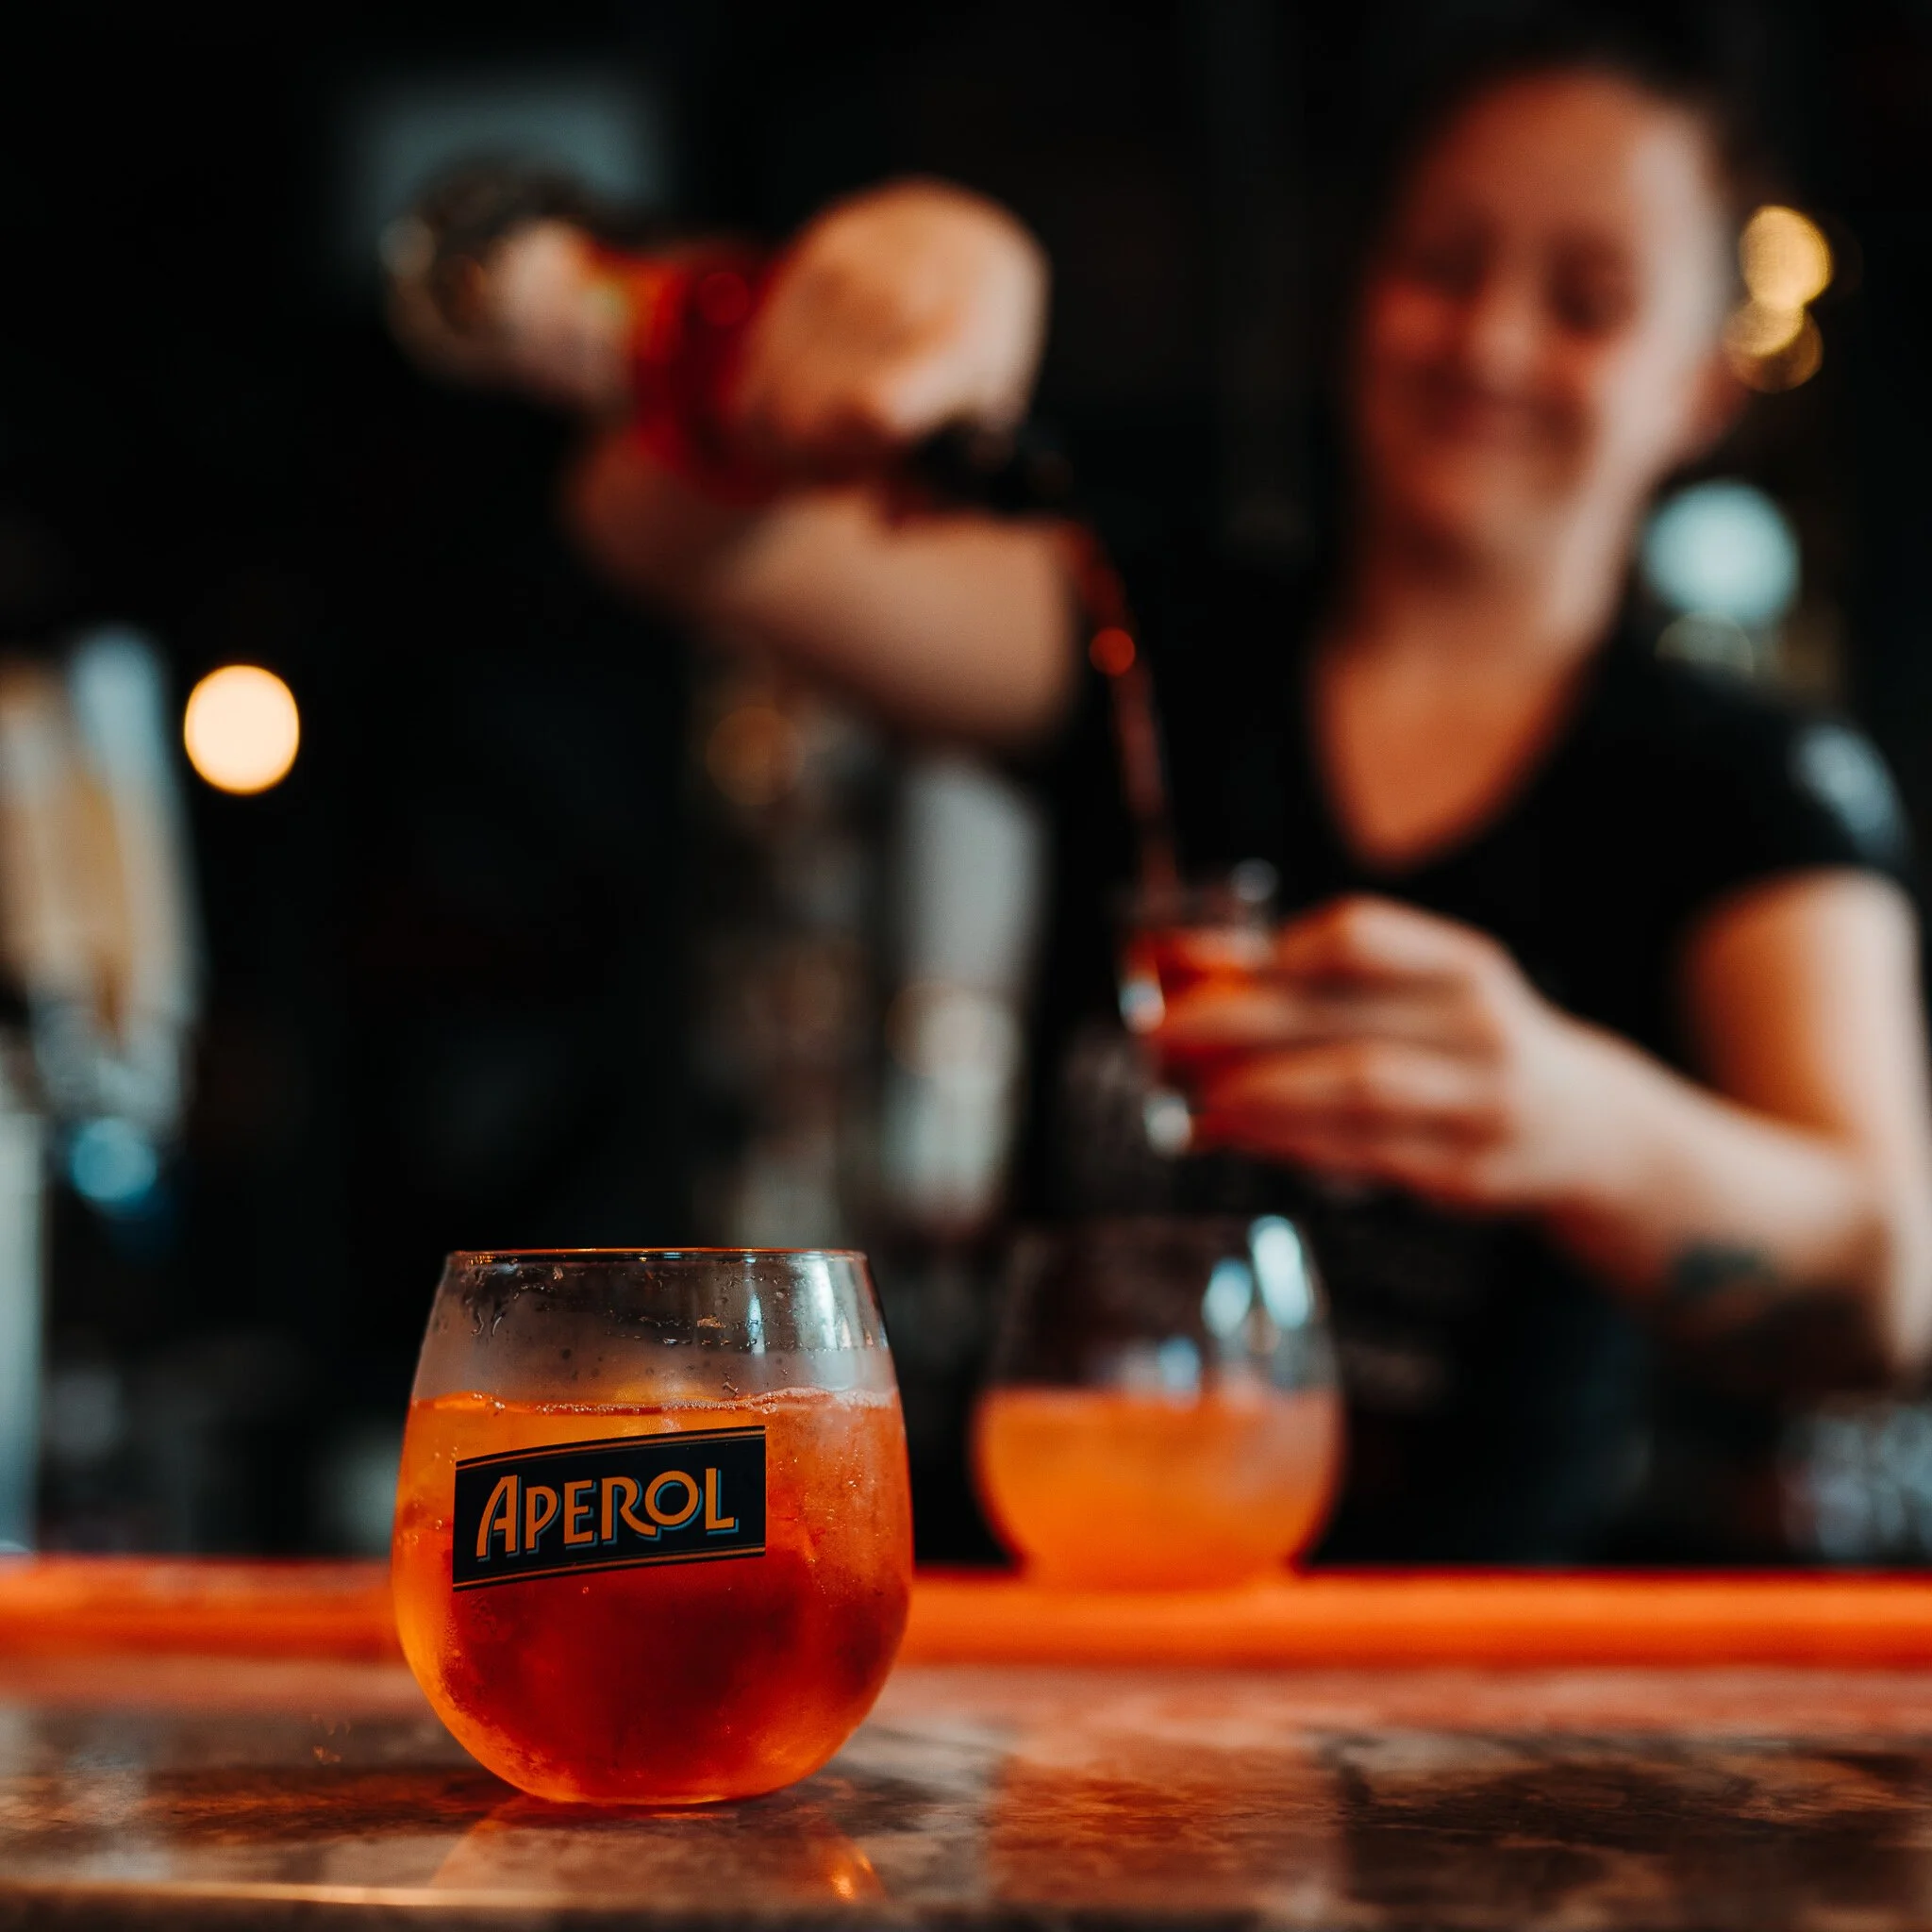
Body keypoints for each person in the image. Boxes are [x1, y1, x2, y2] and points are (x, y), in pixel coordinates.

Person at [404, 23, 1932, 1558]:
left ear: (1700, 391)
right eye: (1442, 265)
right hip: (1046, 1630)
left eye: (1586, 301)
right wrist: (881, 298)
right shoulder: (1150, 641)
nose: (1489, 341)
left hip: (1468, 1684)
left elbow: (1890, 1294)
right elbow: (654, 529)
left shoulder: (1744, 781)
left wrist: (1577, 1119)